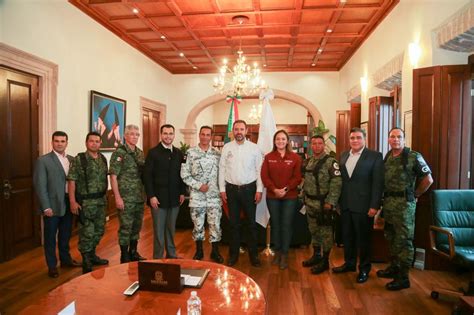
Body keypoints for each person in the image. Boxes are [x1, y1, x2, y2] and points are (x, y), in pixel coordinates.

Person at [377, 127, 433, 290]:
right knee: (391, 237)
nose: (395, 139)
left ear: (404, 139)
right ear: (388, 139)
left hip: (404, 205)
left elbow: (428, 179)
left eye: (399, 137)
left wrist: (416, 194)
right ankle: (394, 267)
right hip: (389, 203)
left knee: (404, 240)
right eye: (392, 137)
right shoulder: (387, 156)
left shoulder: (413, 156)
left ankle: (403, 277)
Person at [333, 127, 384, 284]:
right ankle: (349, 264)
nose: (355, 141)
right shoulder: (343, 155)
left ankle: (364, 269)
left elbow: (378, 183)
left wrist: (375, 206)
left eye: (358, 138)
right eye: (352, 138)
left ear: (364, 139)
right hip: (346, 205)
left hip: (364, 206)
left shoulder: (375, 156)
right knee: (347, 238)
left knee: (363, 240)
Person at [33, 131, 81, 278]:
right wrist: (46, 206)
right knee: (50, 236)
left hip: (68, 202)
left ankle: (66, 260)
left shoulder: (72, 160)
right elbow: (40, 185)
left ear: (67, 142)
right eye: (57, 141)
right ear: (52, 142)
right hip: (52, 205)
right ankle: (52, 266)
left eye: (62, 141)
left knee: (66, 235)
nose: (59, 143)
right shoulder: (43, 161)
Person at [219, 120, 263, 267]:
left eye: (241, 129)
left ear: (246, 130)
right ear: (233, 131)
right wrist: (222, 189)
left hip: (249, 190)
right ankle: (233, 255)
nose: (239, 132)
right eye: (236, 129)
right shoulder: (226, 147)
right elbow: (222, 169)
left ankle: (254, 256)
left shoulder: (254, 148)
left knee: (251, 224)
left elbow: (259, 170)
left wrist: (259, 190)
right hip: (231, 190)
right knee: (234, 225)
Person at [67, 131, 109, 274]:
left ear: (100, 143)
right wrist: (72, 201)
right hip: (85, 203)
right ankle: (86, 259)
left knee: (99, 230)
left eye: (97, 141)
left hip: (101, 202)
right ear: (86, 143)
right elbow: (72, 181)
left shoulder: (103, 159)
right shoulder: (79, 160)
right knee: (87, 232)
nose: (94, 143)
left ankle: (92, 254)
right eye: (91, 141)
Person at [181, 126, 224, 263]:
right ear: (199, 135)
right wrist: (199, 186)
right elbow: (184, 174)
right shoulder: (190, 153)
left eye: (208, 135)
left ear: (211, 136)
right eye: (203, 134)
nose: (205, 137)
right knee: (198, 225)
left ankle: (215, 252)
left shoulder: (217, 154)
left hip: (214, 197)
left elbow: (222, 174)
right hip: (197, 197)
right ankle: (199, 251)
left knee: (215, 225)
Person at [261, 130, 302, 270]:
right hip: (272, 197)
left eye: (283, 139)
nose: (280, 141)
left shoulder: (295, 157)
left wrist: (285, 189)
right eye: (278, 139)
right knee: (276, 225)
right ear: (274, 141)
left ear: (287, 141)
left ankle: (284, 254)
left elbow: (297, 177)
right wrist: (274, 189)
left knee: (286, 225)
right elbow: (264, 176)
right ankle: (277, 252)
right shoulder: (268, 157)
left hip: (289, 196)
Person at [144, 124, 186, 259]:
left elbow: (182, 175)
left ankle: (172, 254)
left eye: (170, 133)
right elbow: (147, 176)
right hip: (158, 199)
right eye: (165, 133)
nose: (168, 136)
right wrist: (151, 196)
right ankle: (158, 257)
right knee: (159, 230)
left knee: (171, 229)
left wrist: (182, 192)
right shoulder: (153, 152)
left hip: (174, 198)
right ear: (161, 135)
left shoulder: (178, 153)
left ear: (174, 135)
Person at [301, 135, 342, 274]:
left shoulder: (331, 162)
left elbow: (336, 183)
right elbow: (305, 181)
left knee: (326, 233)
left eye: (319, 143)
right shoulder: (308, 162)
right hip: (310, 202)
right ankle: (316, 255)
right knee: (314, 231)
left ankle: (325, 261)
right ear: (311, 145)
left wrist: (331, 202)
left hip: (324, 204)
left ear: (324, 145)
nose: (317, 146)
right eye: (314, 143)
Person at [109, 124, 146, 264]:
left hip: (139, 196)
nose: (135, 136)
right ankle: (124, 255)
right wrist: (117, 197)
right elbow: (113, 176)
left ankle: (133, 252)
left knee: (136, 226)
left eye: (137, 134)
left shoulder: (140, 153)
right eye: (131, 134)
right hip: (125, 197)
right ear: (125, 136)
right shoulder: (119, 153)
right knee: (125, 227)